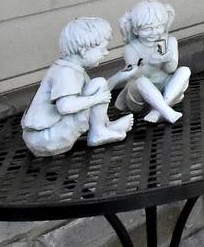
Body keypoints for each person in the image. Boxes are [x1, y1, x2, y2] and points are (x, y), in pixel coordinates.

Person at [21, 16, 134, 156]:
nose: (106, 53)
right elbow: (65, 106)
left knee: (98, 84)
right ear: (84, 51)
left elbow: (100, 91)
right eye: (103, 49)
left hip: (45, 135)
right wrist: (97, 99)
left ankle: (103, 127)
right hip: (46, 138)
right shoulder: (66, 73)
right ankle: (99, 132)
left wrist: (120, 76)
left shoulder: (70, 68)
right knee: (96, 88)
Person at [112, 0, 191, 124]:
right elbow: (133, 75)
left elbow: (171, 69)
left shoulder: (169, 41)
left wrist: (167, 59)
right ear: (135, 30)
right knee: (141, 81)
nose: (154, 32)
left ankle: (159, 109)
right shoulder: (131, 48)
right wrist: (153, 63)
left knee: (184, 70)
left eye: (159, 26)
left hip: (168, 91)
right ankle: (165, 109)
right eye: (147, 28)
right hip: (141, 98)